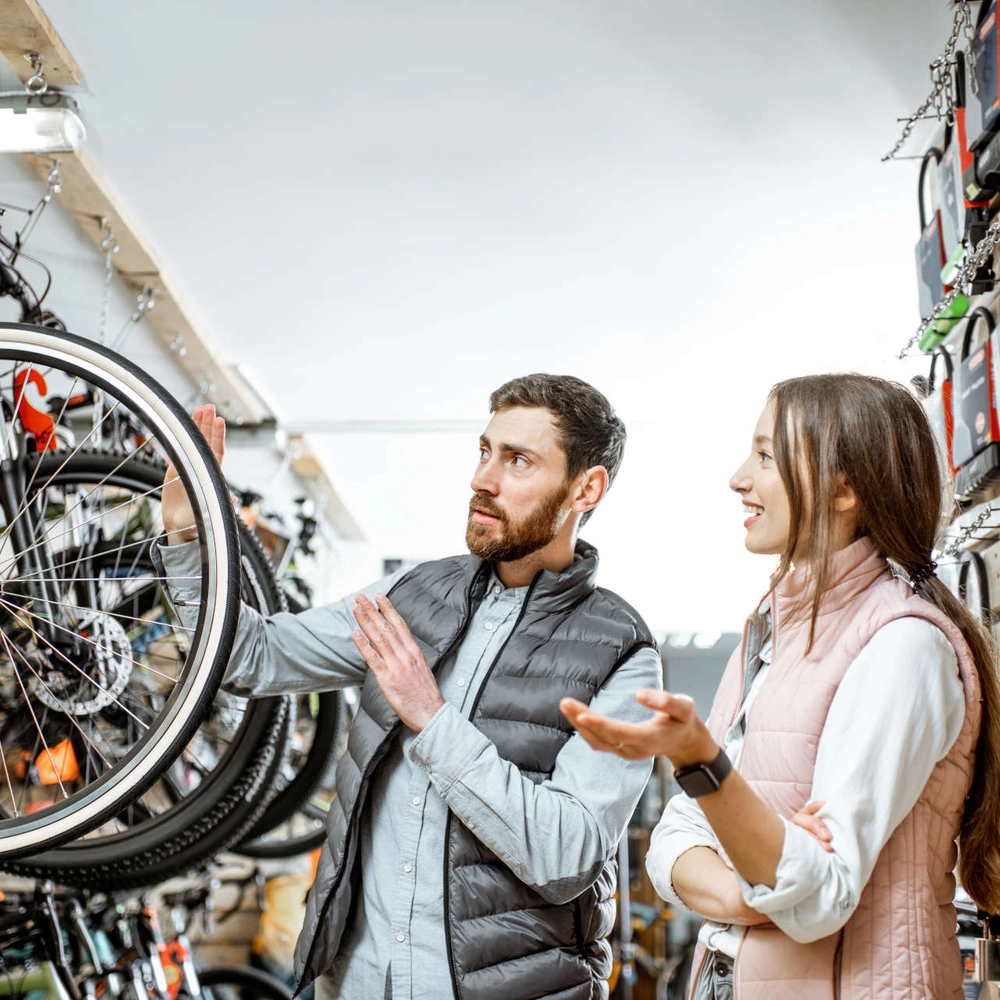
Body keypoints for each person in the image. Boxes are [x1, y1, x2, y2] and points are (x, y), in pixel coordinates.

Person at [157, 374, 662, 1000]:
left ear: (587, 488)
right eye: (485, 451)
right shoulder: (410, 596)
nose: (484, 478)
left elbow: (566, 856)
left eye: (519, 460)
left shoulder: (623, 654)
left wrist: (433, 716)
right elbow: (251, 656)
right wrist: (188, 536)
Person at [561, 373, 1000, 1000]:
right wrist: (758, 890)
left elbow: (817, 895)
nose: (739, 477)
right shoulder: (773, 630)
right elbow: (673, 845)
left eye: (766, 455)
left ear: (843, 488)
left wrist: (701, 764)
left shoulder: (904, 648)